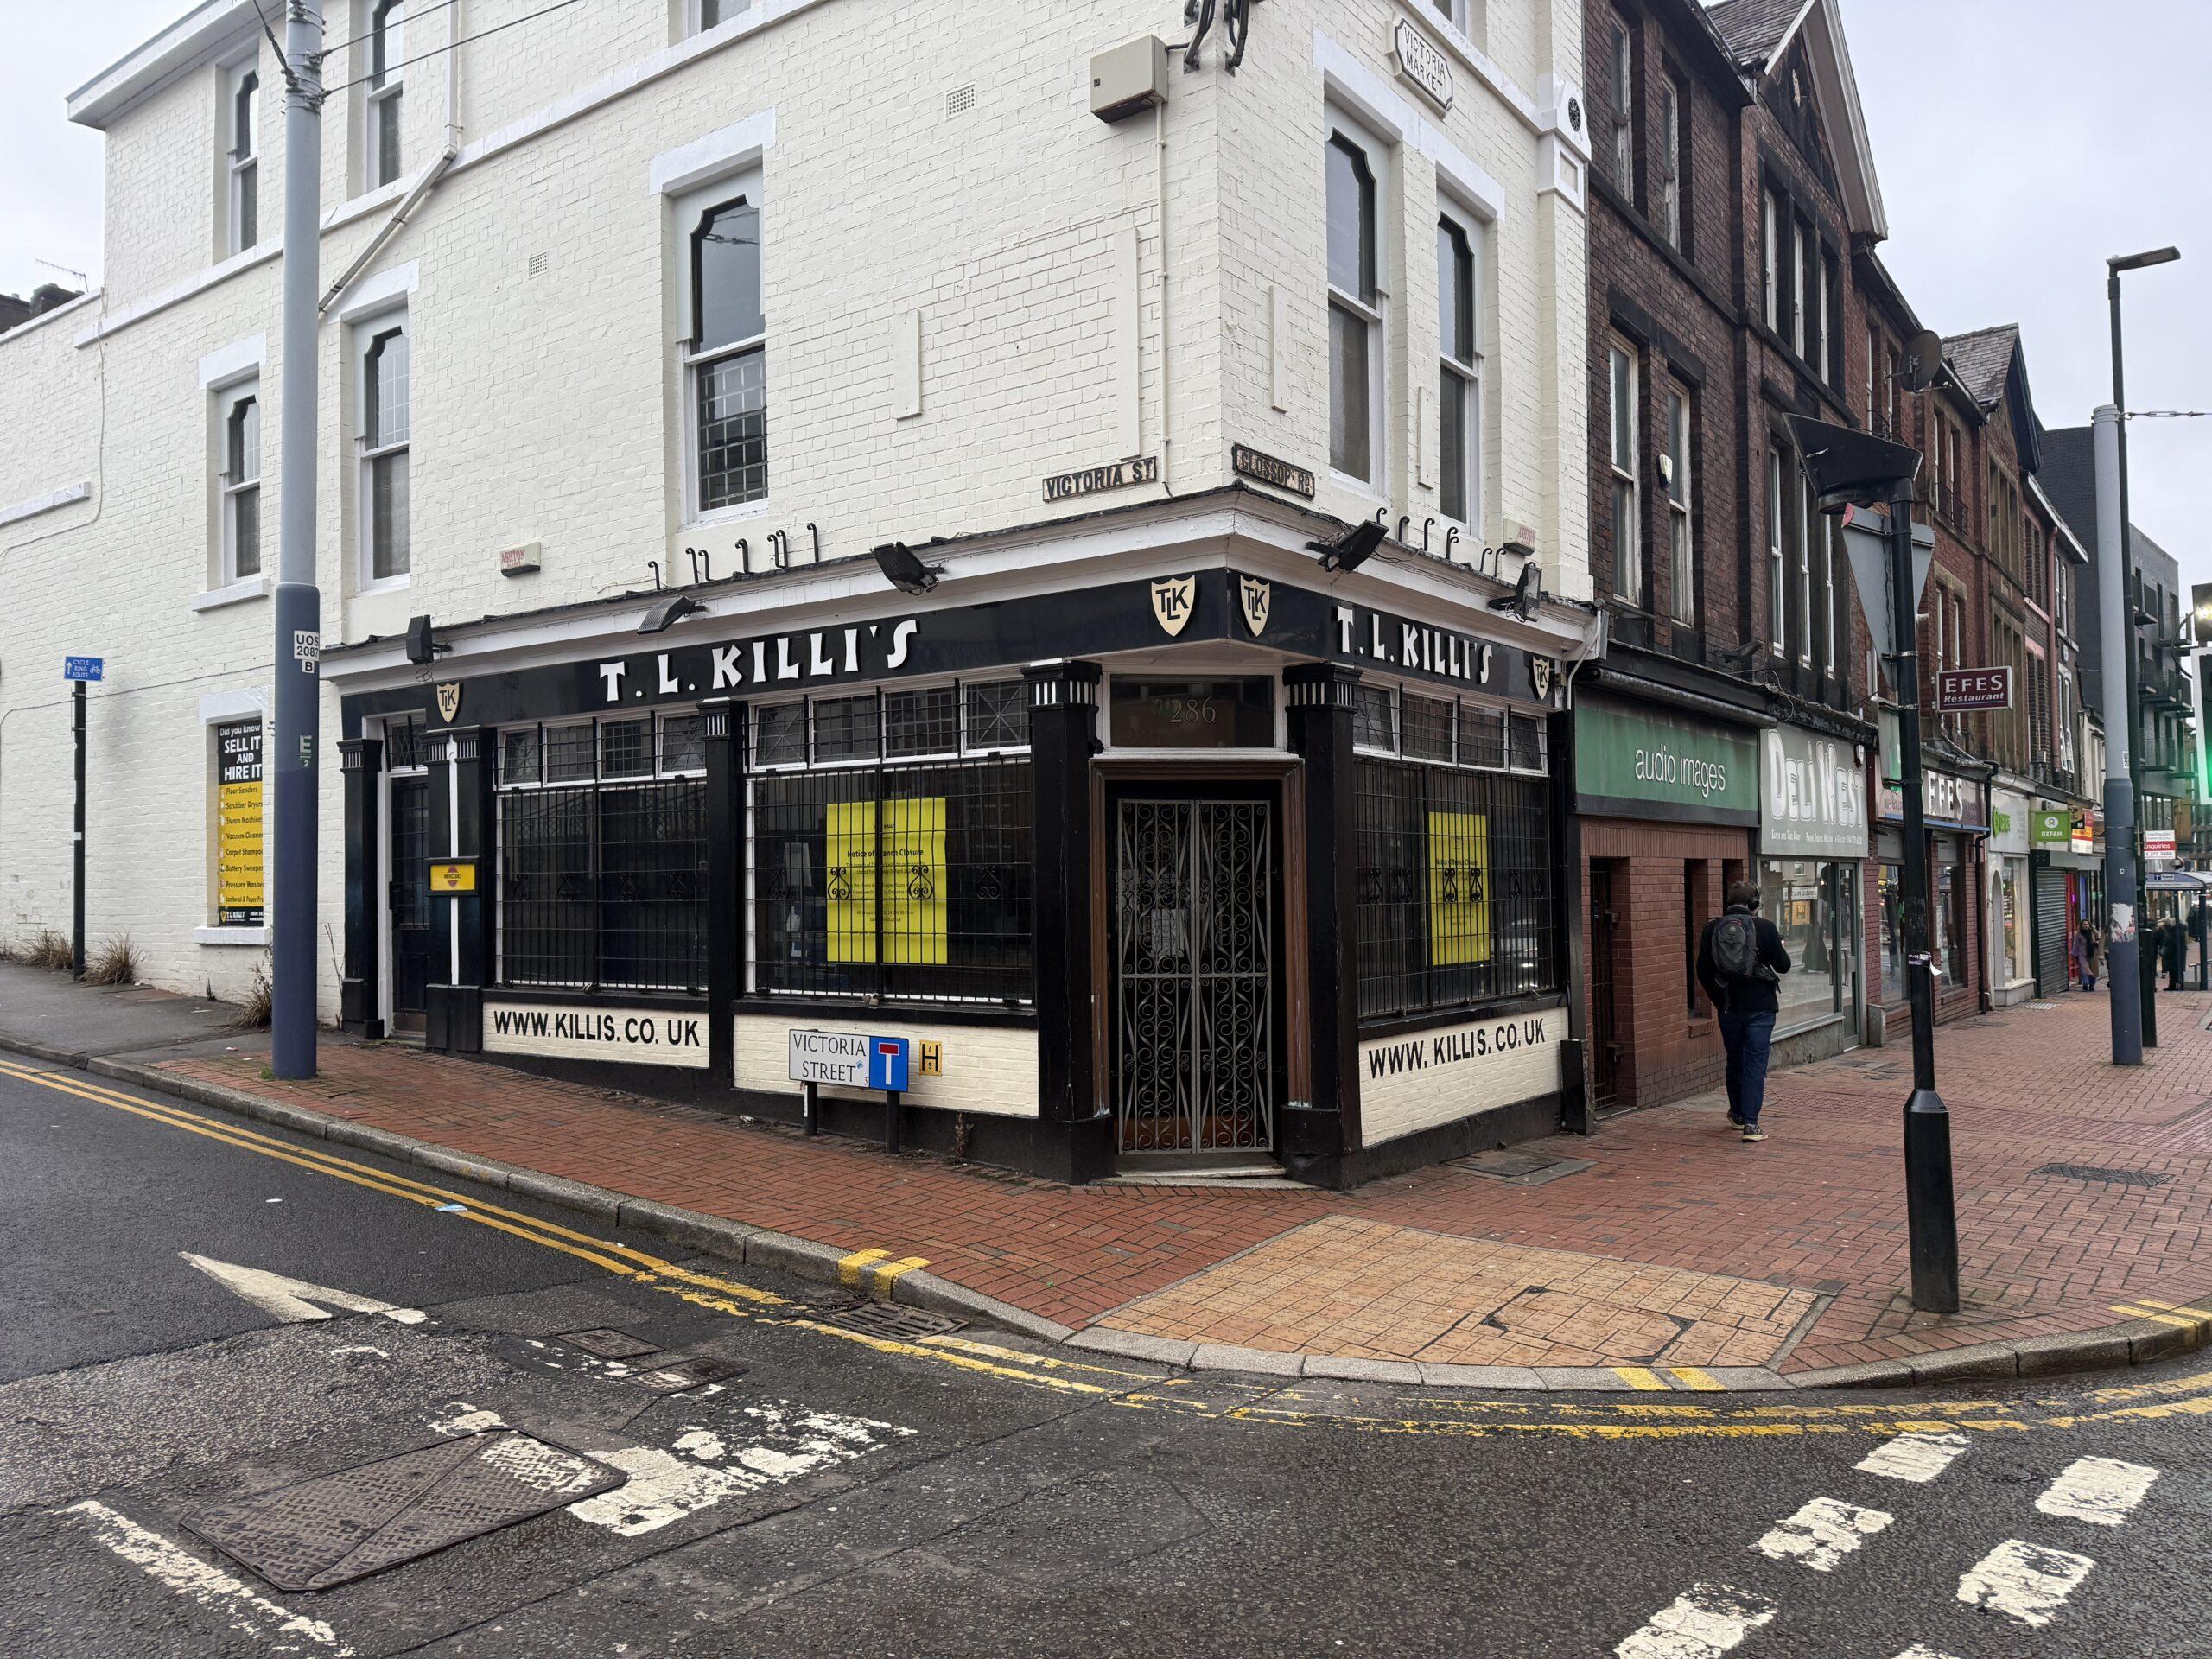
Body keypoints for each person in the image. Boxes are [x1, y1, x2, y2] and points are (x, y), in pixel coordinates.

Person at [1695, 880, 1792, 1145]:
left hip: (1729, 1007)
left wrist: (1720, 1001)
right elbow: (1784, 965)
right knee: (1755, 1064)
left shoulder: (1712, 929)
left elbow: (1702, 970)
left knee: (1735, 1059)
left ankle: (1737, 1114)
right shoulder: (1765, 927)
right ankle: (1751, 1124)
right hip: (1761, 1008)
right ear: (1754, 904)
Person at [2074, 919, 2102, 992]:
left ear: (2089, 925)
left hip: (2093, 954)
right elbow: (2076, 944)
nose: (2086, 926)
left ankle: (2092, 985)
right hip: (2082, 954)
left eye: (2087, 924)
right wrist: (2075, 954)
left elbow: (2100, 939)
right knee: (2084, 970)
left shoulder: (2093, 932)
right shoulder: (2078, 934)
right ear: (2081, 925)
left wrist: (2097, 941)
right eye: (2084, 924)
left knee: (2094, 970)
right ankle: (2086, 984)